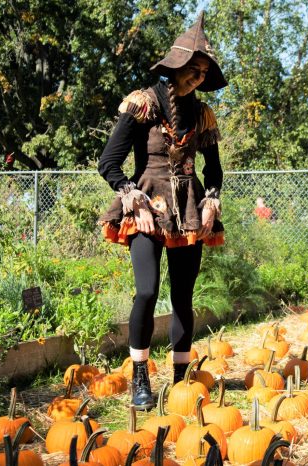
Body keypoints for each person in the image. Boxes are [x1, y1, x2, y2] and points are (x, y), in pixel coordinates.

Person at [97, 13, 227, 411]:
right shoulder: (143, 104)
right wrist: (130, 194)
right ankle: (139, 376)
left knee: (183, 296)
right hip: (147, 204)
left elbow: (214, 169)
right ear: (176, 64)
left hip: (188, 209)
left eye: (204, 72)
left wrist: (212, 200)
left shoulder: (202, 114)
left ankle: (182, 381)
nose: (198, 78)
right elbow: (109, 162)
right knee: (148, 290)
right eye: (194, 69)